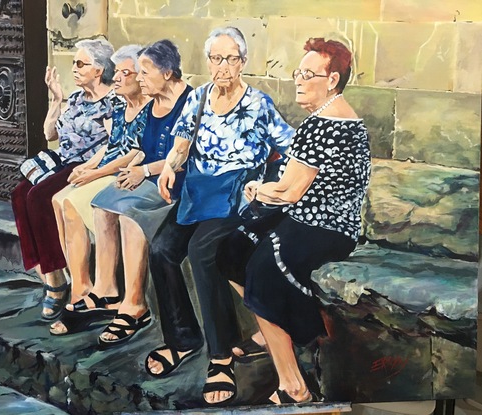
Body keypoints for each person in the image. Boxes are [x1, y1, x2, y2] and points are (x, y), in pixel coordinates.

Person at [145, 27, 296, 406]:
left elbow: (294, 148)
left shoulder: (259, 104)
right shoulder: (198, 97)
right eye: (216, 58)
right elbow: (182, 143)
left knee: (201, 251)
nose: (223, 66)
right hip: (198, 191)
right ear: (208, 61)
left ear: (243, 62)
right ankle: (181, 339)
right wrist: (169, 167)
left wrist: (275, 188)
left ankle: (221, 356)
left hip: (236, 195)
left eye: (231, 59)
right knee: (161, 249)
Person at [216, 37, 371, 405]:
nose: (298, 81)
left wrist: (257, 187)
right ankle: (267, 330)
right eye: (297, 73)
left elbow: (288, 193)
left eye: (307, 74)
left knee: (263, 273)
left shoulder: (322, 126)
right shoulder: (340, 118)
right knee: (231, 249)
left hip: (324, 227)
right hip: (316, 218)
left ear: (332, 80)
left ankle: (293, 385)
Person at [52, 39, 192, 347]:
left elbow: (182, 156)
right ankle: (106, 289)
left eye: (144, 72)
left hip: (176, 184)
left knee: (129, 213)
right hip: (151, 175)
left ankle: (134, 304)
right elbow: (140, 149)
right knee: (104, 202)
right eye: (137, 72)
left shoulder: (189, 104)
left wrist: (143, 170)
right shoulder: (155, 102)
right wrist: (136, 167)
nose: (140, 80)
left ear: (167, 73)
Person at [48, 45, 151, 335]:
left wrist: (96, 171)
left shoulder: (147, 109)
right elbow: (110, 146)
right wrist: (88, 167)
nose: (116, 77)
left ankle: (88, 292)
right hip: (106, 167)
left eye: (124, 72)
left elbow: (134, 152)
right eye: (116, 71)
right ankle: (79, 285)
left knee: (71, 203)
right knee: (58, 199)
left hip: (120, 172)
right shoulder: (120, 105)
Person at [11, 39, 117, 321]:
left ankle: (58, 285)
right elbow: (50, 134)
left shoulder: (112, 103)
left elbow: (113, 144)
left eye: (81, 64)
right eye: (74, 63)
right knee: (20, 194)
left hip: (88, 165)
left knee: (38, 197)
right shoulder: (76, 98)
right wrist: (57, 99)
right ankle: (51, 274)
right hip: (64, 161)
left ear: (99, 70)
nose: (74, 68)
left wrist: (90, 168)